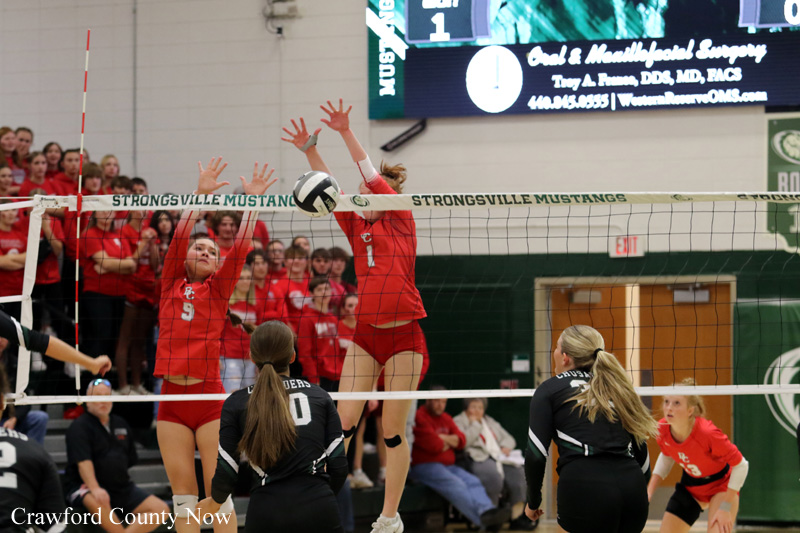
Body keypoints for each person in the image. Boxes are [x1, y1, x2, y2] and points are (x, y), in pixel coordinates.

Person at [283, 99, 427, 533]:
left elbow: (367, 175)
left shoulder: (400, 217)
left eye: (370, 190)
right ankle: (317, 502)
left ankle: (389, 517)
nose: (363, 195)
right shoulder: (356, 225)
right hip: (366, 336)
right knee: (342, 422)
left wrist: (346, 132)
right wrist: (310, 149)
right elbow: (326, 189)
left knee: (392, 430)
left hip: (405, 338)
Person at [154, 158, 275, 533]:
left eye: (212, 251)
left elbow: (240, 250)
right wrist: (200, 194)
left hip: (208, 399)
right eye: (199, 248)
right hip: (171, 401)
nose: (206, 252)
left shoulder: (218, 289)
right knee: (183, 498)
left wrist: (252, 203)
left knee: (219, 494)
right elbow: (179, 238)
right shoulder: (170, 283)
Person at [196, 320, 348, 533]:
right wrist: (318, 497)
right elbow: (339, 466)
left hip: (266, 511)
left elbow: (227, 472)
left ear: (252, 357)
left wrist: (215, 502)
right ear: (292, 356)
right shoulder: (320, 396)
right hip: (319, 507)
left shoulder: (236, 403)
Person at [525, 325, 655, 533]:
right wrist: (638, 491)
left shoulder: (549, 389)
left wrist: (533, 501)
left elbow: (536, 455)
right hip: (632, 488)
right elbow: (642, 453)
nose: (554, 352)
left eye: (557, 347)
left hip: (585, 489)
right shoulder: (617, 387)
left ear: (565, 357)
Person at [65, 378, 170, 533]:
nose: (103, 401)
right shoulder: (79, 426)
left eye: (107, 396)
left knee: (160, 509)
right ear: (87, 401)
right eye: (98, 396)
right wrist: (95, 488)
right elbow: (83, 463)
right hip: (86, 487)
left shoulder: (121, 423)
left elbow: (130, 458)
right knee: (101, 505)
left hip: (120, 487)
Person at [646, 379, 749, 533]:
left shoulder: (707, 433)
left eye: (676, 403)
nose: (669, 407)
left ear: (690, 411)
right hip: (691, 487)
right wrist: (649, 491)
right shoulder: (662, 429)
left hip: (720, 486)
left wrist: (725, 506)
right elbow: (667, 455)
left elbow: (741, 465)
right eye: (666, 401)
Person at [408, 392, 511, 530]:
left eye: (443, 402)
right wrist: (449, 441)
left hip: (447, 466)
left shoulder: (446, 418)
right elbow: (435, 445)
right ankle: (483, 520)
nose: (440, 405)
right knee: (456, 484)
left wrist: (443, 438)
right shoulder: (419, 417)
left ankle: (488, 511)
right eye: (437, 401)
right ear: (428, 400)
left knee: (472, 481)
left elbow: (461, 441)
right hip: (424, 466)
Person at [0, 365, 68, 533]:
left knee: (39, 417)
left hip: (15, 421)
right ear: (2, 402)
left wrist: (15, 418)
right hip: (24, 451)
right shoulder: (37, 452)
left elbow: (25, 403)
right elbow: (57, 526)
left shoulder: (14, 364)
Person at [453, 398, 536, 530]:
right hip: (476, 457)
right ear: (466, 408)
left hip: (497, 455)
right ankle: (491, 514)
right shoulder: (459, 421)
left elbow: (509, 439)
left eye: (480, 408)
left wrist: (505, 446)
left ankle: (515, 515)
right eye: (473, 407)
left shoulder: (489, 421)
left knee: (518, 472)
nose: (477, 411)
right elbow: (464, 441)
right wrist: (475, 425)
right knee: (492, 475)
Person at [115, 210, 160, 394]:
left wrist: (153, 244)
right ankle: (123, 385)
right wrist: (143, 243)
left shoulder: (151, 230)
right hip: (131, 287)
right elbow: (130, 261)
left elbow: (155, 265)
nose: (142, 211)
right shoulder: (124, 231)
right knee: (124, 339)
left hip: (149, 289)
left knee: (139, 340)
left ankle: (136, 384)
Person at [220, 265, 260, 393]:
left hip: (250, 358)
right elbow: (216, 331)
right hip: (229, 357)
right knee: (232, 395)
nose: (245, 281)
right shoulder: (226, 304)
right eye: (241, 278)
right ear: (235, 281)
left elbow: (258, 334)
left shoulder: (255, 304)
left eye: (248, 278)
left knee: (250, 396)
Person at [297, 276, 340, 390]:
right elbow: (304, 354)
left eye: (326, 289)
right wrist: (314, 378)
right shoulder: (306, 319)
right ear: (312, 294)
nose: (324, 292)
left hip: (336, 375)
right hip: (318, 376)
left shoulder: (333, 319)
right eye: (319, 290)